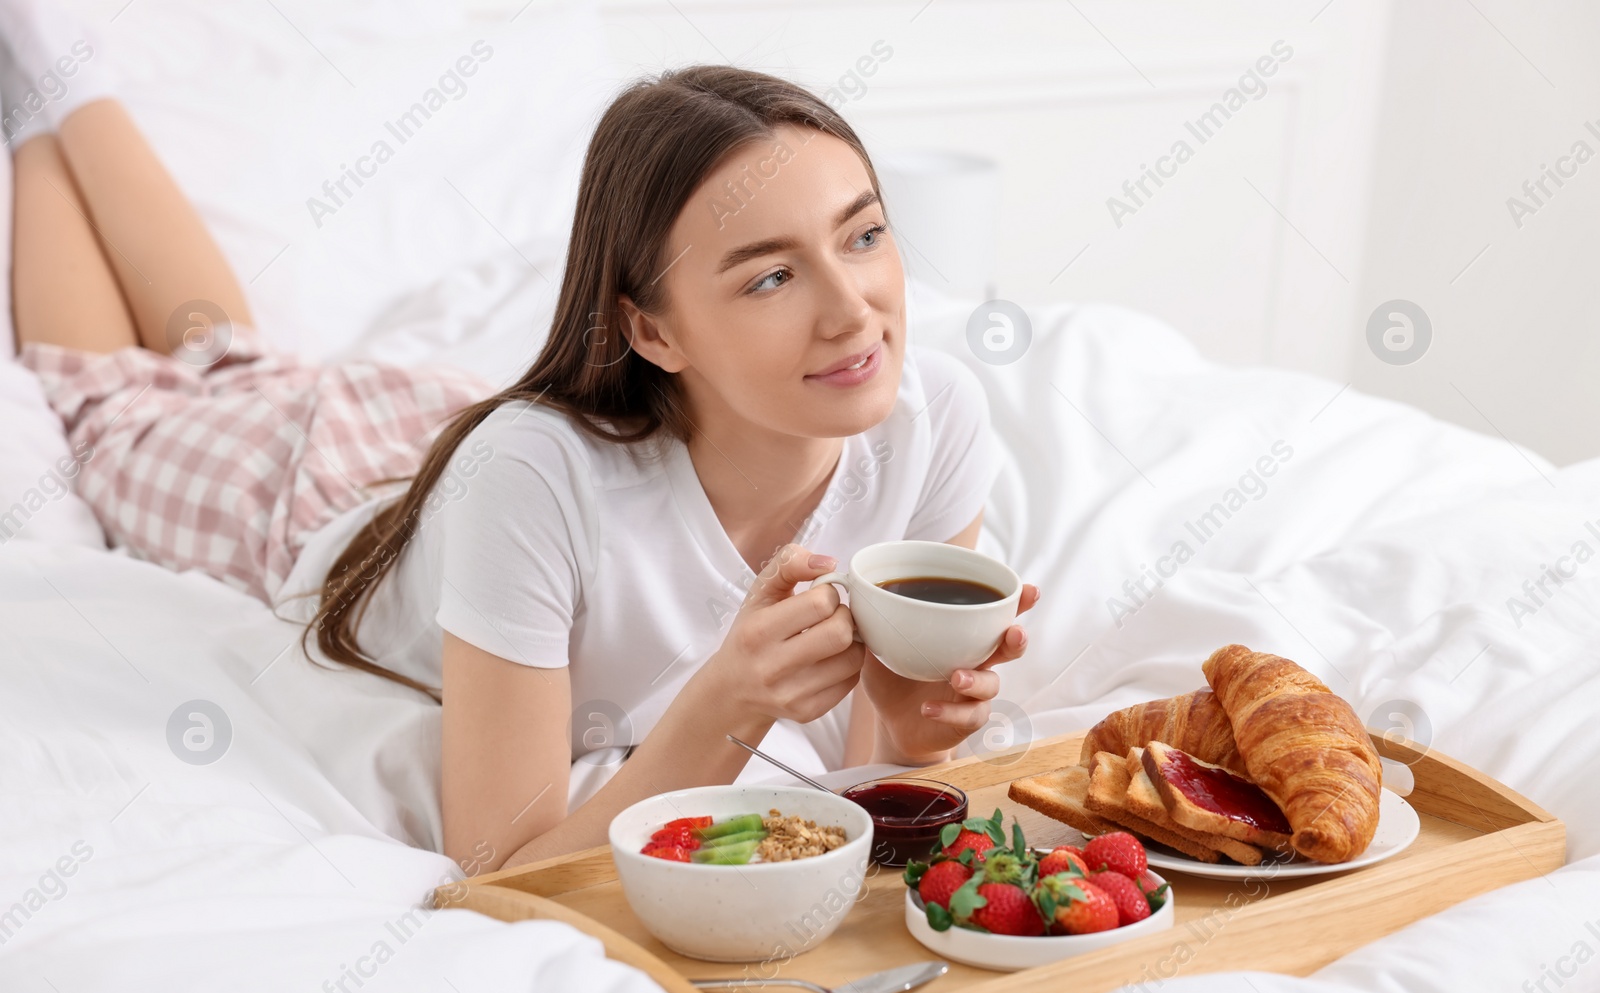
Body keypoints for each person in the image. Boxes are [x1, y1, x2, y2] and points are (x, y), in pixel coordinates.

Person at [6, 6, 1038, 873]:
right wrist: (724, 704)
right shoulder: (530, 473)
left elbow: (871, 783)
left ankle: (58, 91)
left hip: (434, 436)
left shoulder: (935, 415)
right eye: (772, 275)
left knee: (231, 349)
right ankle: (41, 90)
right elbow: (502, 867)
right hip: (304, 497)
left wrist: (911, 727)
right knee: (125, 396)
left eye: (862, 235)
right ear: (649, 329)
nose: (854, 311)